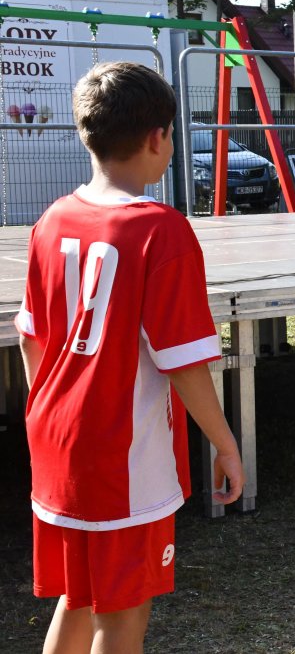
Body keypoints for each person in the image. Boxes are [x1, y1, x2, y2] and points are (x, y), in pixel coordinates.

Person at [16, 62, 245, 652]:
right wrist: (225, 444)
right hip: (123, 455)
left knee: (80, 596)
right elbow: (183, 361)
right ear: (158, 137)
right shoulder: (160, 230)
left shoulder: (50, 221)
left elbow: (30, 339)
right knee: (122, 615)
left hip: (56, 441)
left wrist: (53, 417)